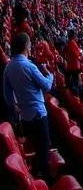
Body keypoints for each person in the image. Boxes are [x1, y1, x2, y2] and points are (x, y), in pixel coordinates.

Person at [3, 32, 54, 181]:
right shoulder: (29, 66)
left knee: (36, 148)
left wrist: (17, 104)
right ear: (25, 46)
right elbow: (47, 86)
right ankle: (48, 185)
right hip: (38, 114)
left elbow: (7, 97)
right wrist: (49, 74)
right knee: (43, 150)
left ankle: (37, 176)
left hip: (25, 117)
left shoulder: (8, 67)